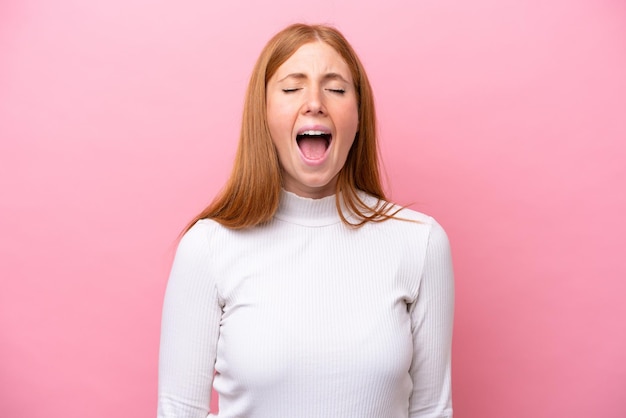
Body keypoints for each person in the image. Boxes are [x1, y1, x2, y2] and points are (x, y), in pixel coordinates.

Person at [157, 23, 454, 418]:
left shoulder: (420, 243)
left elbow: (432, 410)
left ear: (359, 115)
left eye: (335, 89)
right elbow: (180, 411)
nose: (314, 102)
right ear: (262, 114)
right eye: (292, 88)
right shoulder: (208, 247)